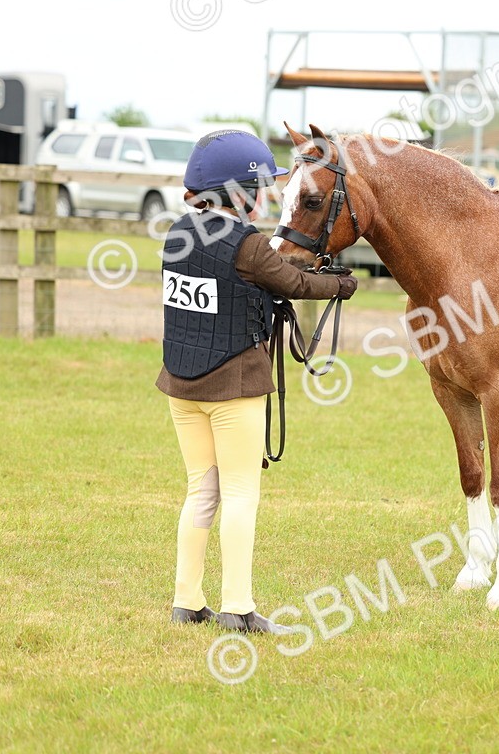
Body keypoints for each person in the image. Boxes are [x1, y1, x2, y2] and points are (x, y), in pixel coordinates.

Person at [157, 129, 358, 633]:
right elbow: (294, 282)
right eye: (259, 188)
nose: (264, 197)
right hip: (233, 384)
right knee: (241, 493)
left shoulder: (177, 234)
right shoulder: (246, 244)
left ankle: (187, 600)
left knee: (201, 491)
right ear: (239, 192)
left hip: (180, 384)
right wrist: (341, 284)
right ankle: (239, 608)